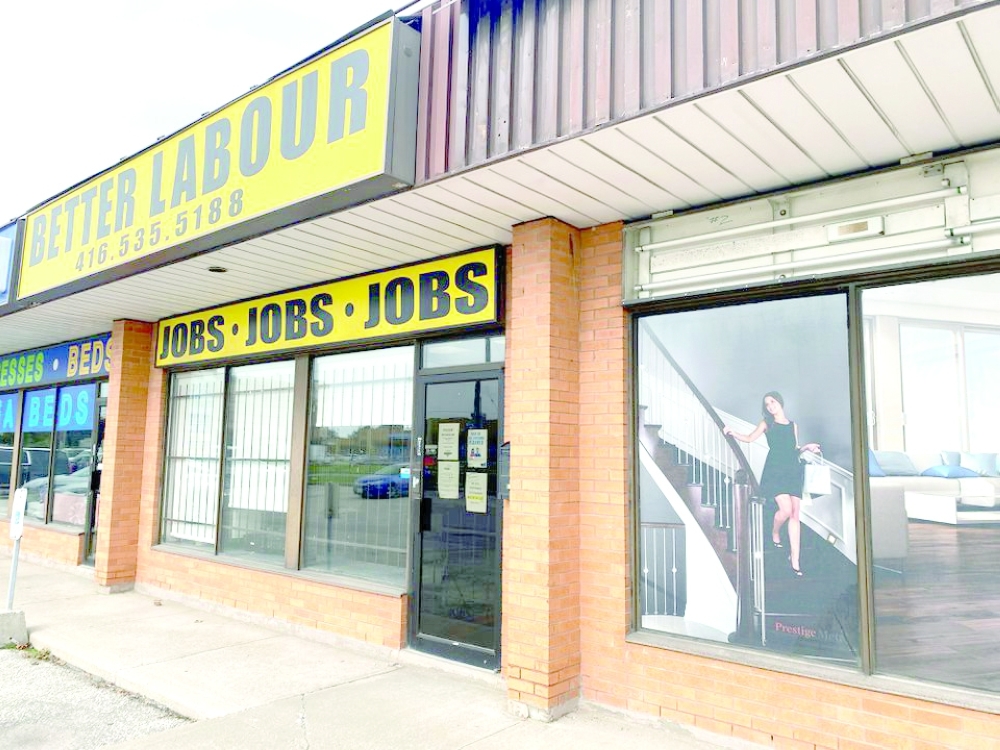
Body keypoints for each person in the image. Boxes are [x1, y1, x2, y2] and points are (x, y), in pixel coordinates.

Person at [723, 391, 819, 577]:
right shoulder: (767, 424)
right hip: (775, 469)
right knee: (785, 510)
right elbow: (750, 438)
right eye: (767, 404)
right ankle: (775, 531)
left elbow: (794, 449)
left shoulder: (793, 425)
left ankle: (795, 559)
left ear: (780, 402)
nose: (770, 406)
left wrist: (807, 447)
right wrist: (732, 432)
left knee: (795, 514)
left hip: (793, 469)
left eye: (772, 402)